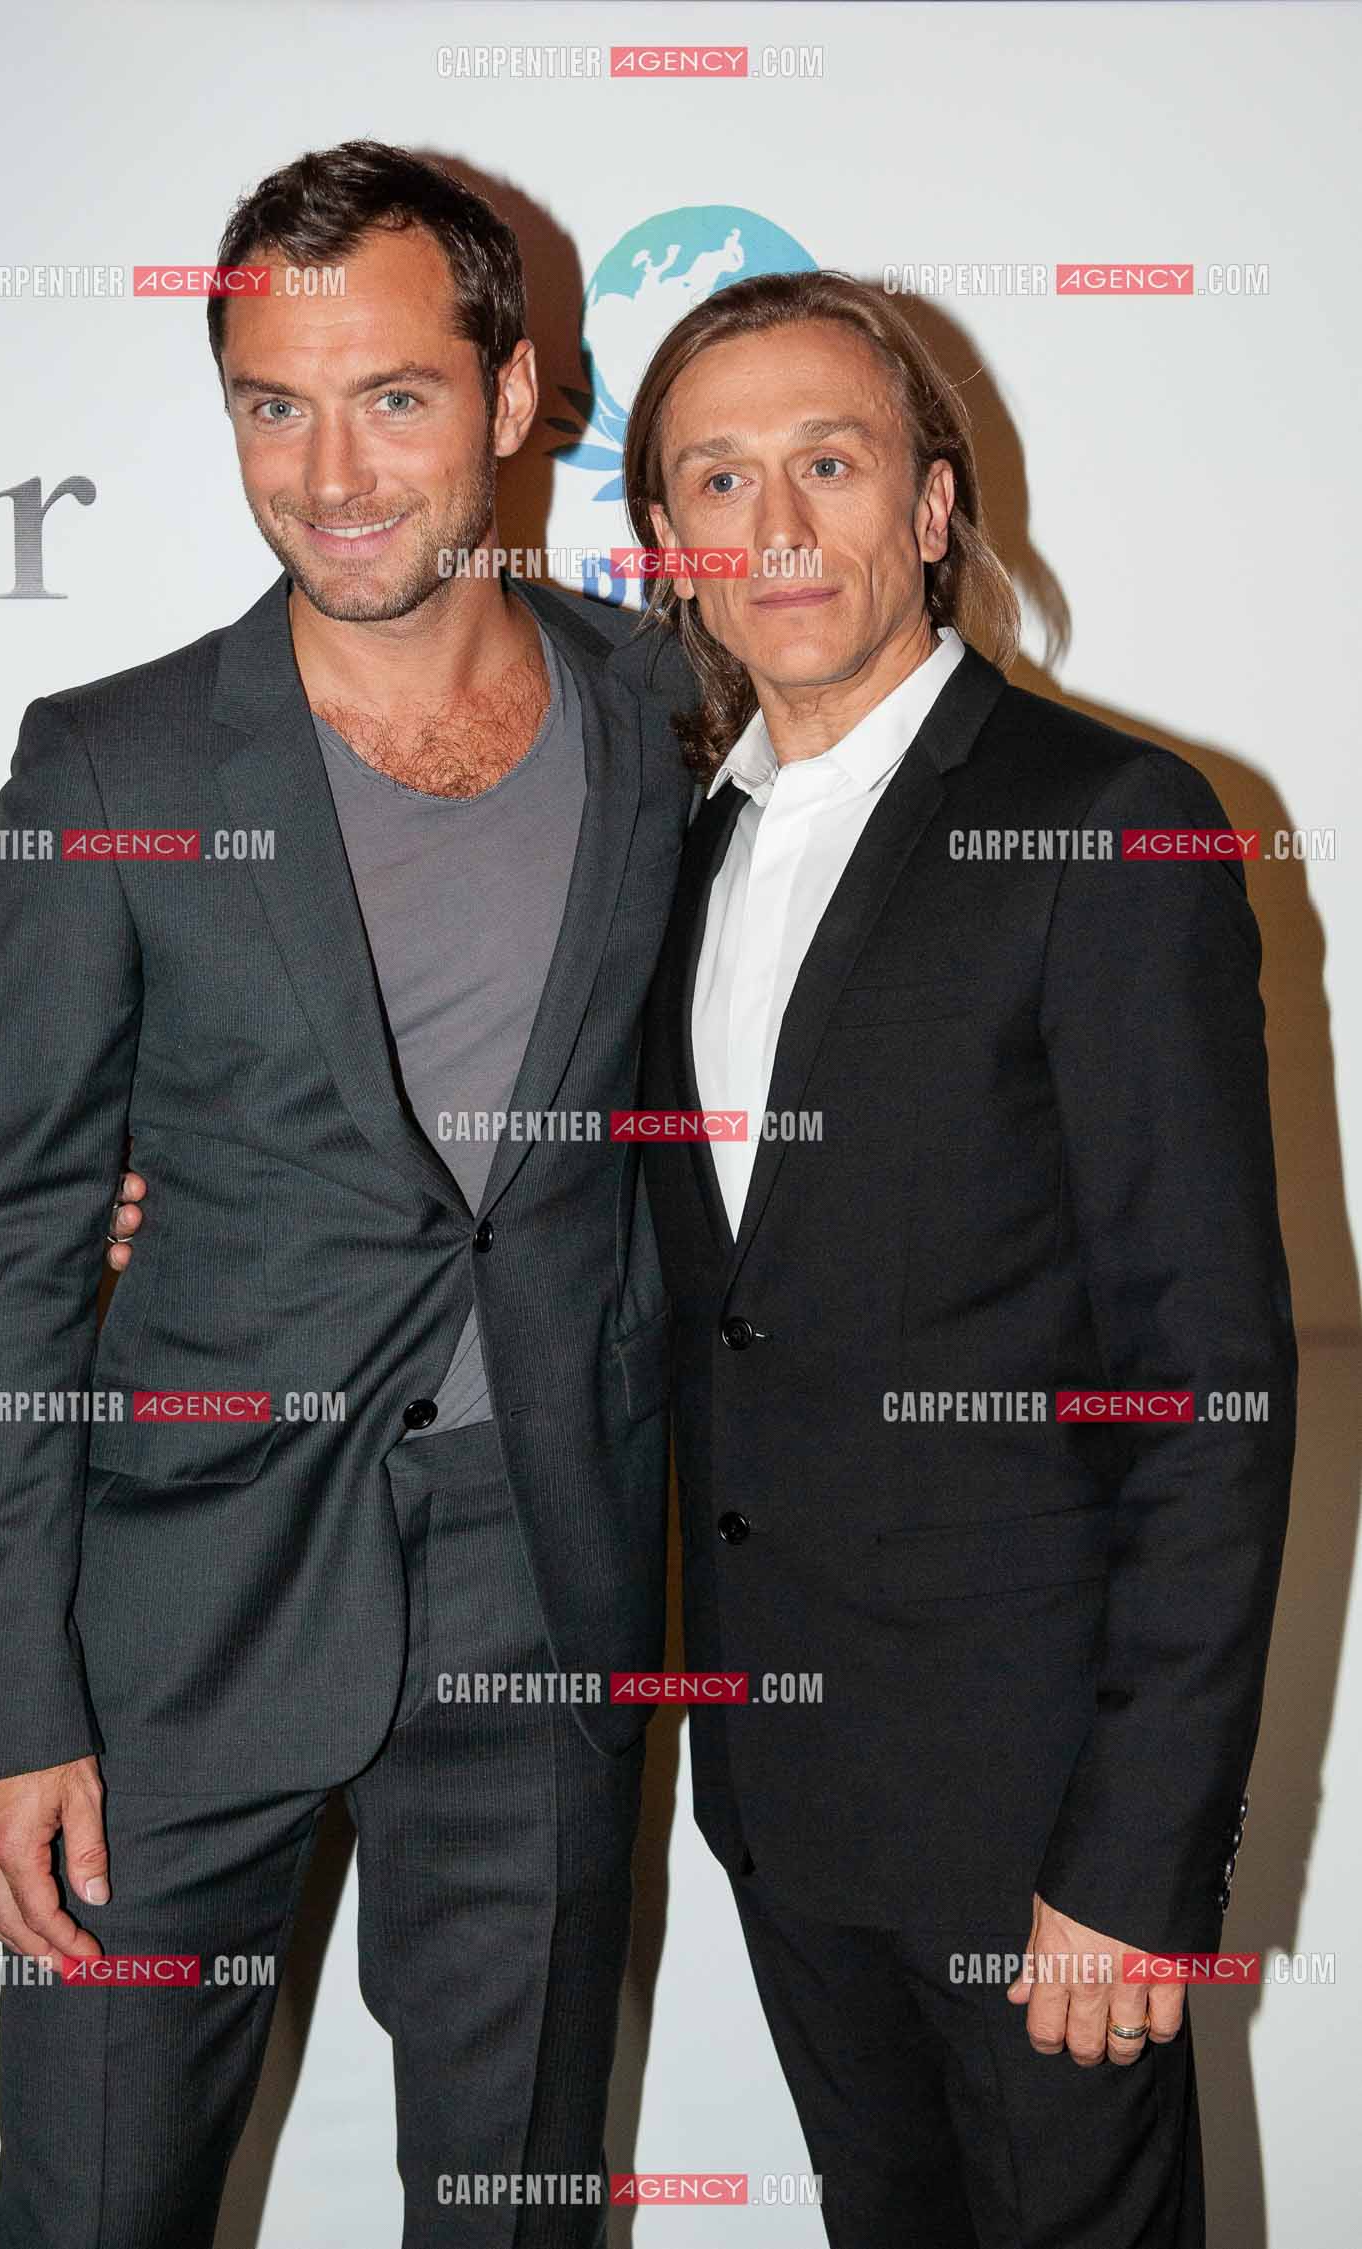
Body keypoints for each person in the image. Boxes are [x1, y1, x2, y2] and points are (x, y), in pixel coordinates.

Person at [0, 139, 692, 2249]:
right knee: (91, 2210)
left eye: (395, 398)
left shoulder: (662, 710)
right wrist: (11, 1710)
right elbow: (5, 1262)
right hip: (172, 1619)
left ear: (516, 397)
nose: (332, 472)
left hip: (540, 1582)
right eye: (275, 404)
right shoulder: (117, 767)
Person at [625, 269, 1296, 2246]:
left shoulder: (1110, 827)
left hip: (1042, 1845)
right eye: (718, 480)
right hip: (786, 1797)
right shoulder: (677, 856)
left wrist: (1133, 1869)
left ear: (928, 509)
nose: (776, 527)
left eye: (826, 463)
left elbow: (1206, 1396)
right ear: (670, 544)